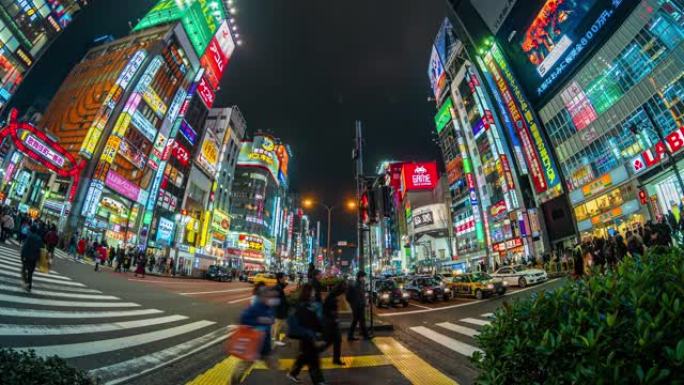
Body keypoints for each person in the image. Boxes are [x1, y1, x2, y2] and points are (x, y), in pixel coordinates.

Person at [230, 286, 278, 385]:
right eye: (267, 296)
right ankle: (233, 382)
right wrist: (258, 320)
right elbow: (243, 318)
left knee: (273, 364)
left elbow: (271, 320)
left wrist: (270, 320)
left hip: (265, 344)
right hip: (253, 344)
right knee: (242, 367)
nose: (270, 298)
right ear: (262, 297)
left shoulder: (269, 307)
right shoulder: (256, 307)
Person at [287, 284, 326, 385]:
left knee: (305, 356)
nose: (314, 293)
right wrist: (317, 335)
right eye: (312, 291)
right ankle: (319, 381)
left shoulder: (307, 305)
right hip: (308, 337)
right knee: (314, 362)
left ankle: (293, 373)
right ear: (308, 293)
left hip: (307, 337)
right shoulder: (304, 307)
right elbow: (311, 323)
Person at [322, 281, 347, 365]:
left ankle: (336, 359)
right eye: (342, 292)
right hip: (331, 323)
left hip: (331, 322)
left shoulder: (332, 296)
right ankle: (312, 353)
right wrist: (334, 317)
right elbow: (327, 310)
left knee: (334, 341)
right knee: (332, 341)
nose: (342, 295)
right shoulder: (331, 298)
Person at [346, 271, 370, 341]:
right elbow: (350, 297)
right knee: (359, 320)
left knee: (357, 320)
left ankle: (351, 335)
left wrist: (364, 302)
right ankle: (364, 335)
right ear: (360, 277)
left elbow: (361, 296)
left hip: (359, 305)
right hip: (358, 306)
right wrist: (354, 303)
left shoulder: (359, 284)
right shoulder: (356, 285)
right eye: (363, 277)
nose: (364, 278)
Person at [20, 225, 43, 292]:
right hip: (34, 258)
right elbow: (41, 249)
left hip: (27, 257)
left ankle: (26, 282)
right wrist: (38, 259)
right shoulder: (39, 238)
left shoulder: (30, 237)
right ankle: (29, 286)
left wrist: (22, 255)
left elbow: (25, 247)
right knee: (30, 272)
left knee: (23, 270)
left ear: (31, 230)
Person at [272, 272, 289, 347]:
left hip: (280, 310)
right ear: (280, 278)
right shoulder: (277, 288)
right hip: (279, 310)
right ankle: (276, 340)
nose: (285, 278)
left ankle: (276, 339)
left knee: (278, 325)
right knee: (278, 326)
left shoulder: (279, 287)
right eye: (284, 277)